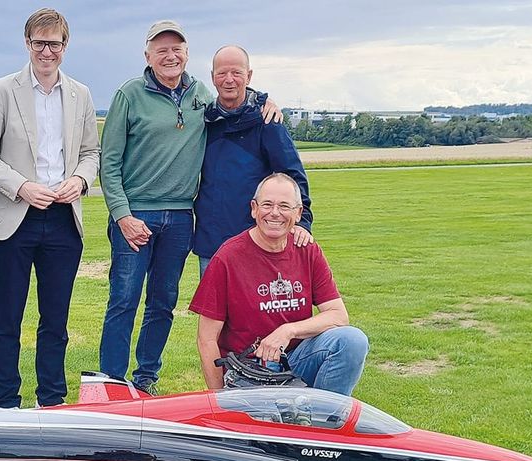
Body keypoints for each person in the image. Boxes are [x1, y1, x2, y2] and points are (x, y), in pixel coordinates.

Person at [98, 20, 279, 395]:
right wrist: (123, 215)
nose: (170, 55)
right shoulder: (128, 95)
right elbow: (109, 163)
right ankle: (112, 384)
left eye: (176, 48)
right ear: (147, 55)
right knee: (123, 302)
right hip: (135, 215)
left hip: (181, 217)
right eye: (161, 49)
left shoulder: (199, 94)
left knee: (163, 304)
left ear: (186, 54)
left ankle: (145, 379)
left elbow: (234, 95)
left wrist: (263, 99)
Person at [0, 8, 100, 408]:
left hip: (63, 220)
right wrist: (22, 187)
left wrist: (79, 181)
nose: (47, 51)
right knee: (7, 318)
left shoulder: (81, 94)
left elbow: (90, 152)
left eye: (55, 43)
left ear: (66, 46)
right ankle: (6, 402)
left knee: (55, 321)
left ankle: (52, 400)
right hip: (15, 218)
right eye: (39, 43)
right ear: (27, 43)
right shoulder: (1, 90)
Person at [189, 173, 368, 395]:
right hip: (249, 368)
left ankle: (325, 421)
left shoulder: (307, 250)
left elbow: (338, 316)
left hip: (297, 358)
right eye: (267, 205)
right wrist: (220, 400)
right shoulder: (228, 257)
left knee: (352, 340)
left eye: (284, 206)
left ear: (298, 213)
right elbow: (206, 339)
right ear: (254, 209)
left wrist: (288, 331)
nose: (275, 213)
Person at [194, 45, 313, 276]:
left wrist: (302, 222)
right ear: (212, 78)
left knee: (257, 310)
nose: (229, 80)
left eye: (237, 73)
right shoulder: (202, 121)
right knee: (213, 311)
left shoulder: (267, 122)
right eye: (222, 73)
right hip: (212, 242)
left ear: (248, 76)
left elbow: (292, 176)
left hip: (258, 240)